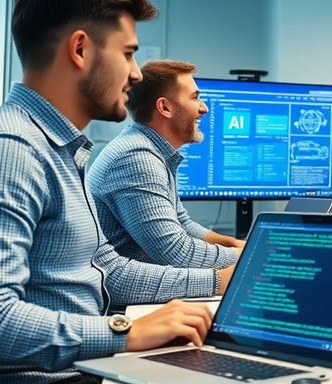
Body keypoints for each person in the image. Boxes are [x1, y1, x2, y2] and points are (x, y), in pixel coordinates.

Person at [0, 0, 233, 382]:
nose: (136, 74)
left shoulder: (60, 148)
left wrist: (209, 283)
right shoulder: (11, 149)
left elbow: (106, 269)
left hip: (85, 366)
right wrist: (125, 331)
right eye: (128, 53)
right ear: (80, 50)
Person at [89, 59, 244, 269]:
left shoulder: (151, 150)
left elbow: (182, 224)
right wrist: (250, 257)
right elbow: (175, 251)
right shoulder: (136, 157)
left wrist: (235, 244)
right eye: (195, 98)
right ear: (164, 107)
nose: (204, 108)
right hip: (121, 294)